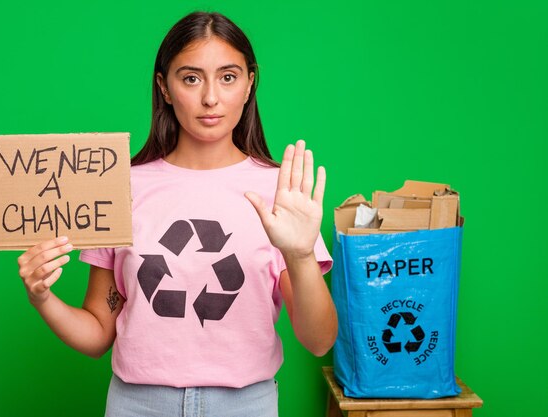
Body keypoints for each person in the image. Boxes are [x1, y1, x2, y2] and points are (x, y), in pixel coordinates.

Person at [17, 11, 337, 417]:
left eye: (228, 76)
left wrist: (301, 255)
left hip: (245, 405)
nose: (210, 98)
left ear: (249, 83)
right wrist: (40, 296)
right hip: (138, 404)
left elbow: (319, 339)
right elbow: (97, 333)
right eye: (190, 78)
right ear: (164, 87)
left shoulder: (281, 193)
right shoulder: (121, 187)